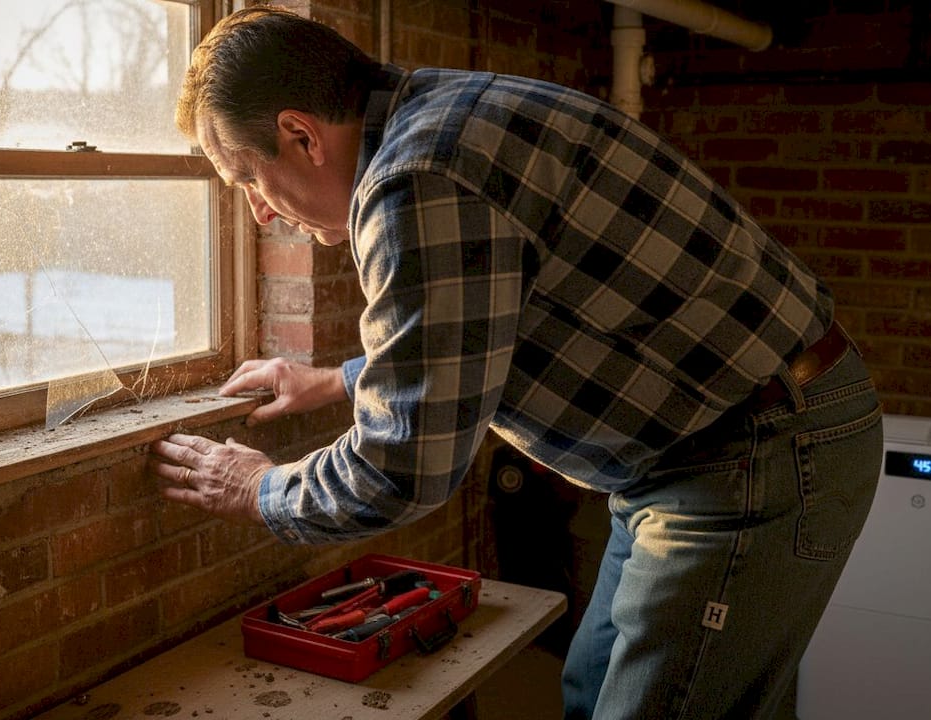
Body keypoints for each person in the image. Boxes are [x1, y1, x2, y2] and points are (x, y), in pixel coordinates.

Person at [147, 6, 883, 718]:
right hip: (709, 443)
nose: (260, 213)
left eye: (246, 178)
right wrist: (335, 380)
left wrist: (259, 489)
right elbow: (482, 322)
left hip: (754, 452)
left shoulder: (414, 180)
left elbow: (404, 468)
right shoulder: (437, 112)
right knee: (592, 694)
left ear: (301, 135)